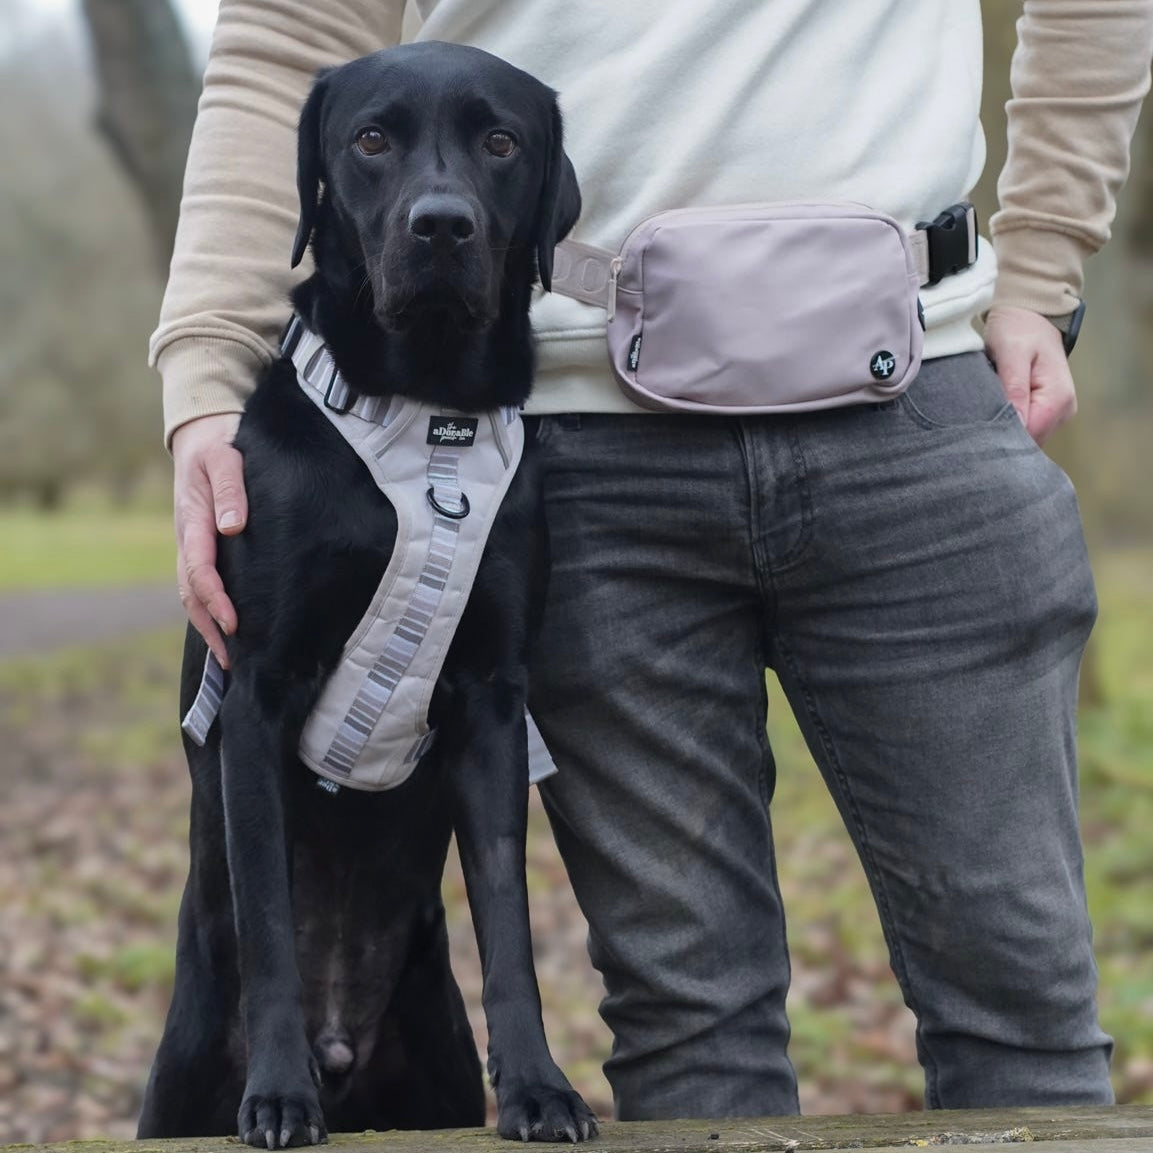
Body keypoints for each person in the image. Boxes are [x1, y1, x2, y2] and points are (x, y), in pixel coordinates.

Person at [158, 0, 1153, 1120]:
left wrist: (1044, 259)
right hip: (565, 446)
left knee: (1023, 1011)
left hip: (919, 381)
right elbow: (290, 33)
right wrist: (207, 374)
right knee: (693, 1031)